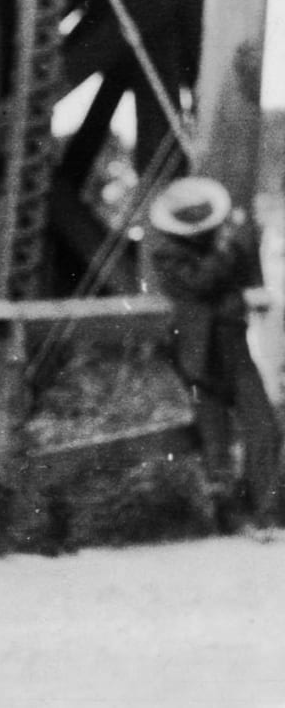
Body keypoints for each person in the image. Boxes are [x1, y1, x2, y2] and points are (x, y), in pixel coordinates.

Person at [144, 175, 281, 532]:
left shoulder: (223, 247)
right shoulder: (168, 253)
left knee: (263, 427)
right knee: (215, 437)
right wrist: (227, 250)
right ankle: (231, 518)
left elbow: (251, 278)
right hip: (198, 353)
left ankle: (264, 512)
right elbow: (200, 283)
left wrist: (238, 246)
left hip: (233, 347)